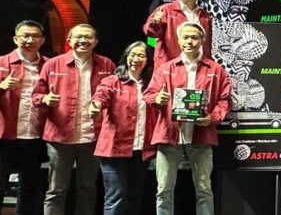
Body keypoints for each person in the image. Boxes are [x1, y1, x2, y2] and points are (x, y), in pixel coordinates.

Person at [145, 21, 231, 215]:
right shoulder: (165, 68)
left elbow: (225, 100)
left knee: (204, 190)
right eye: (185, 37)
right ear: (179, 40)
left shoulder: (215, 69)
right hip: (169, 135)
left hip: (201, 137)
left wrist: (212, 118)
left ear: (202, 40)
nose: (189, 41)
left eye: (194, 37)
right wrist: (157, 98)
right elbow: (149, 95)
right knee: (163, 190)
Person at [33, 23, 116, 215]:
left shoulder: (107, 65)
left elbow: (115, 96)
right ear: (69, 41)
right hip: (59, 137)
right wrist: (45, 99)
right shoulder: (53, 64)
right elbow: (36, 95)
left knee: (87, 189)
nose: (83, 41)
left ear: (96, 42)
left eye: (88, 37)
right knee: (56, 190)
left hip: (92, 137)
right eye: (78, 37)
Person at [0, 20, 49, 215]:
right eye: (25, 36)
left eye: (35, 36)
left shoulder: (48, 65)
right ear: (15, 39)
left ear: (42, 40)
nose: (29, 40)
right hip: (3, 134)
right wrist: (1, 86)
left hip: (33, 134)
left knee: (29, 185)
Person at [89, 41, 156, 215]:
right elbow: (101, 96)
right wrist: (95, 106)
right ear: (126, 57)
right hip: (114, 149)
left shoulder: (152, 84)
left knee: (135, 195)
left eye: (141, 55)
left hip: (141, 149)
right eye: (132, 55)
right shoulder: (112, 81)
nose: (136, 59)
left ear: (148, 60)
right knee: (116, 197)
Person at [144, 0, 213, 74]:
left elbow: (207, 44)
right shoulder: (165, 9)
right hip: (170, 68)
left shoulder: (205, 16)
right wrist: (154, 23)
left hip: (198, 67)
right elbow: (150, 32)